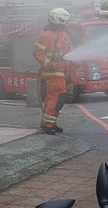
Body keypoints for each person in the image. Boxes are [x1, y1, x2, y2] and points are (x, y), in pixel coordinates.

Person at [33, 7, 72, 135]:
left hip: (62, 73)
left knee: (59, 100)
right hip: (52, 74)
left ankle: (52, 122)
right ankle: (46, 124)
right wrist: (50, 64)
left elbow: (68, 53)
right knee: (55, 99)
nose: (66, 24)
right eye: (64, 21)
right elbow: (37, 52)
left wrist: (76, 62)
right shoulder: (46, 36)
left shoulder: (63, 35)